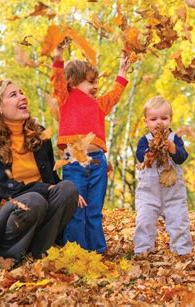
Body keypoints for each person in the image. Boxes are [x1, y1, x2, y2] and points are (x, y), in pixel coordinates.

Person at [0, 79, 78, 270]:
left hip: (40, 203)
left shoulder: (38, 134)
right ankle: (8, 258)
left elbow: (50, 177)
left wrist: (67, 193)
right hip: (8, 214)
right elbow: (8, 189)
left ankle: (39, 253)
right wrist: (45, 188)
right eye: (13, 95)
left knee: (68, 188)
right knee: (31, 200)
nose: (22, 97)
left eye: (21, 92)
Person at [51, 47, 129, 253]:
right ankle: (76, 250)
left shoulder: (99, 104)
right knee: (77, 208)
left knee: (94, 209)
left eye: (96, 82)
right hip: (75, 163)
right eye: (91, 82)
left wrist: (122, 73)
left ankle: (97, 249)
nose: (96, 86)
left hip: (97, 163)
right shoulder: (65, 99)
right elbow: (57, 80)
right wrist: (58, 55)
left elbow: (114, 95)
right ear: (73, 82)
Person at [134, 96, 193, 255]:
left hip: (173, 193)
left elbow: (182, 157)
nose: (159, 122)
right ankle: (142, 251)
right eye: (153, 119)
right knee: (144, 221)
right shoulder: (144, 141)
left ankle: (182, 251)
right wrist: (147, 154)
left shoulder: (175, 139)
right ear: (146, 122)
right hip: (148, 193)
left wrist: (173, 149)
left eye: (164, 118)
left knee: (179, 221)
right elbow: (139, 155)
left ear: (170, 119)